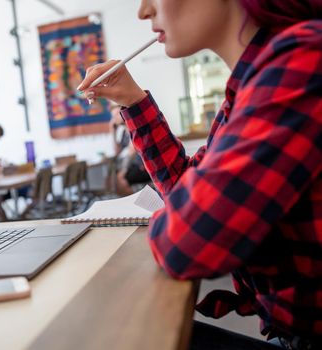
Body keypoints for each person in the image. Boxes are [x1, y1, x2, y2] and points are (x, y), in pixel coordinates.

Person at [78, 1, 322, 349]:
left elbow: (190, 240)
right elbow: (185, 187)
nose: (143, 11)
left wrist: (180, 216)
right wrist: (133, 100)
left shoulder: (302, 61)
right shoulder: (252, 86)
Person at [109, 103, 152, 196]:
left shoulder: (132, 128)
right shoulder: (124, 132)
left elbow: (131, 152)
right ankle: (130, 202)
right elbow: (117, 152)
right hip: (134, 165)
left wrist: (123, 171)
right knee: (113, 178)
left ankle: (135, 204)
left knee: (121, 179)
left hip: (144, 166)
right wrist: (113, 132)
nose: (114, 119)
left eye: (116, 115)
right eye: (113, 116)